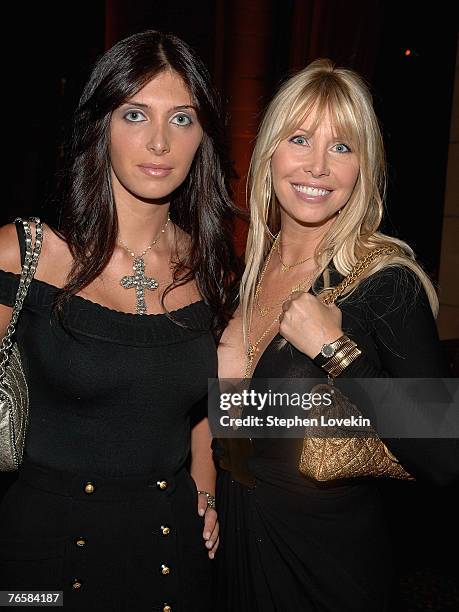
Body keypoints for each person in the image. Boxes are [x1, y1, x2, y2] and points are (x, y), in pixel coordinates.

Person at [0, 29, 240, 611]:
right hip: (40, 559)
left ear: (202, 135)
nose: (159, 142)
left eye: (181, 119)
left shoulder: (211, 268)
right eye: (135, 114)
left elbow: (209, 400)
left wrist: (204, 484)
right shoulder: (24, 252)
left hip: (169, 550)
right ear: (100, 126)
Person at [214, 59, 458, 611]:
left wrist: (337, 351)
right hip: (237, 546)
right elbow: (253, 436)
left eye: (342, 147)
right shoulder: (246, 275)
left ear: (363, 168)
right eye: (300, 139)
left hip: (325, 569)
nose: (318, 166)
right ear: (269, 152)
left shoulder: (384, 281)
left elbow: (446, 456)